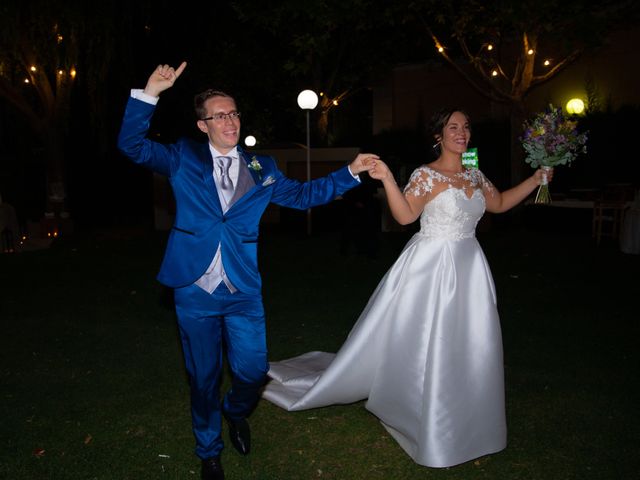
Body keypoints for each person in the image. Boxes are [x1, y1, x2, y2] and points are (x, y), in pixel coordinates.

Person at [117, 62, 377, 480]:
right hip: (193, 288)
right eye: (220, 115)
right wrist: (150, 92)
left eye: (234, 113)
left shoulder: (263, 168)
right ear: (203, 125)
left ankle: (235, 412)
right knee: (202, 379)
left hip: (242, 289)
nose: (230, 121)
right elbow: (131, 145)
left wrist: (350, 172)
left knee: (253, 371)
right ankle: (209, 449)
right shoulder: (183, 156)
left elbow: (305, 195)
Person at [262, 108, 553, 468]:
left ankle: (464, 406)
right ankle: (417, 404)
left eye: (465, 127)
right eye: (453, 127)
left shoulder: (476, 176)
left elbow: (501, 203)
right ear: (439, 135)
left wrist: (537, 179)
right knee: (428, 337)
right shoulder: (425, 175)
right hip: (431, 266)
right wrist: (385, 178)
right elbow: (404, 217)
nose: (461, 133)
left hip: (470, 266)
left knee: (469, 339)